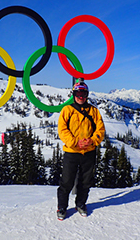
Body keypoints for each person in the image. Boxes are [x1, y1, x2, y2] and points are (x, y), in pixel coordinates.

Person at [56, 79, 105, 221]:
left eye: (83, 93)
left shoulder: (94, 111)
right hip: (72, 152)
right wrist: (75, 143)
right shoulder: (67, 110)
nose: (81, 96)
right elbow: (62, 130)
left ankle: (81, 204)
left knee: (86, 181)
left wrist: (92, 140)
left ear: (87, 94)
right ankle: (62, 207)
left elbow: (100, 129)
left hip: (89, 152)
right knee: (67, 181)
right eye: (78, 93)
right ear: (74, 94)